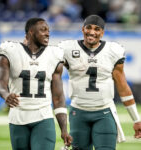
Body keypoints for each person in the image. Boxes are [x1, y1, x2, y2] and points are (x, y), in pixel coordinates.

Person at [58, 15, 141, 150]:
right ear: (82, 29)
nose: (92, 32)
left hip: (104, 112)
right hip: (78, 112)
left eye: (97, 29)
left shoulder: (112, 51)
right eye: (88, 28)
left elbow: (122, 86)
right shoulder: (67, 49)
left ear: (102, 32)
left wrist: (136, 119)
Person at [0, 18, 72, 150]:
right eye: (43, 30)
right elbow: (0, 81)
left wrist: (64, 129)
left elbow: (58, 97)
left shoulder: (53, 55)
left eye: (48, 30)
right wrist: (5, 94)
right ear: (30, 32)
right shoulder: (11, 50)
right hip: (18, 117)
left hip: (43, 116)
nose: (47, 33)